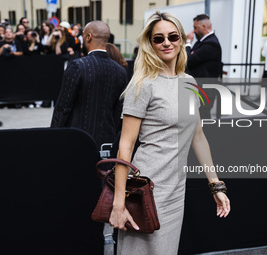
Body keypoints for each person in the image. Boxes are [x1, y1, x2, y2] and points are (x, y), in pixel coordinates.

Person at [109, 11, 230, 255]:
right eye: (158, 38)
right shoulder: (142, 84)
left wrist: (216, 186)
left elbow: (198, 136)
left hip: (176, 190)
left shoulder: (189, 82)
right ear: (150, 43)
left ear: (182, 40)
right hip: (145, 188)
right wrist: (119, 202)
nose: (167, 42)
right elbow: (125, 146)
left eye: (173, 36)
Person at [51, 20, 127, 155]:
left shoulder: (77, 66)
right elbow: (118, 110)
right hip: (107, 143)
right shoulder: (120, 71)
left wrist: (53, 136)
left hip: (78, 140)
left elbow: (63, 108)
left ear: (88, 37)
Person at [186, 14, 223, 119]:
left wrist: (188, 42)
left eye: (195, 28)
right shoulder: (203, 42)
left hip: (205, 91)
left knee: (203, 120)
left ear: (204, 27)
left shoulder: (211, 44)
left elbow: (188, 59)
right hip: (200, 88)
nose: (194, 31)